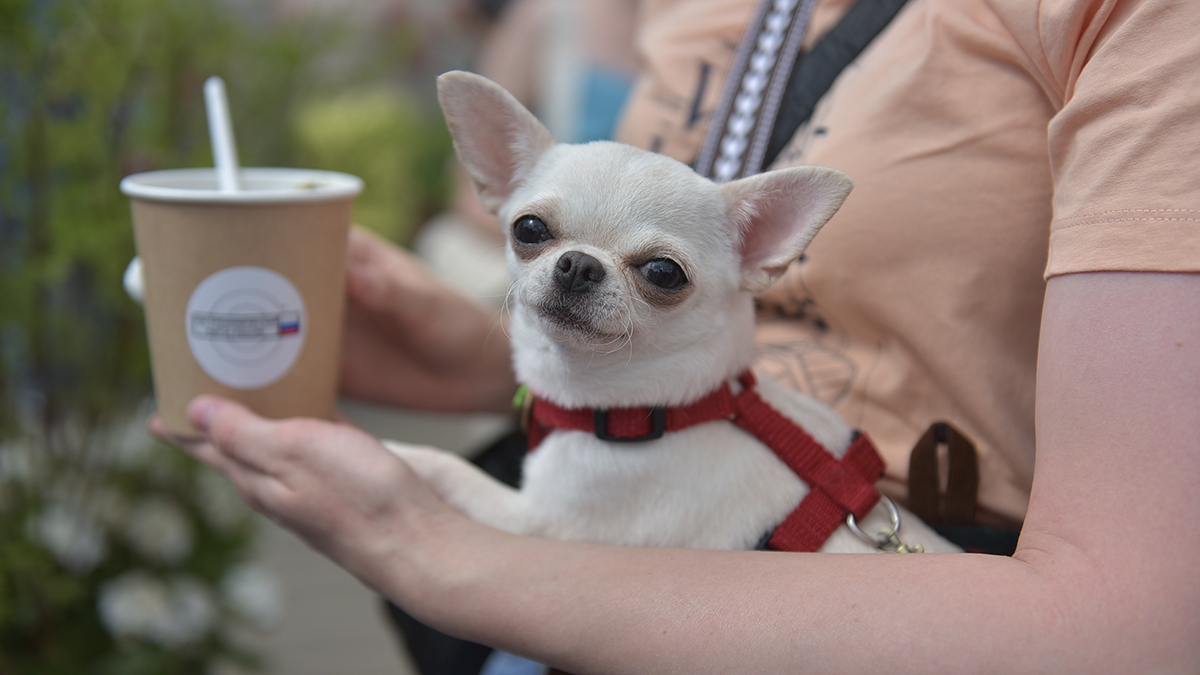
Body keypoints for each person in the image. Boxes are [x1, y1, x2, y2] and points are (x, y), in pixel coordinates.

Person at [155, 0, 1200, 672]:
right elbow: (671, 340)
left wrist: (433, 552)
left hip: (929, 598)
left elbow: (1134, 626)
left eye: (656, 270)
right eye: (533, 235)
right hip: (619, 473)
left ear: (762, 240)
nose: (570, 266)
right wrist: (484, 360)